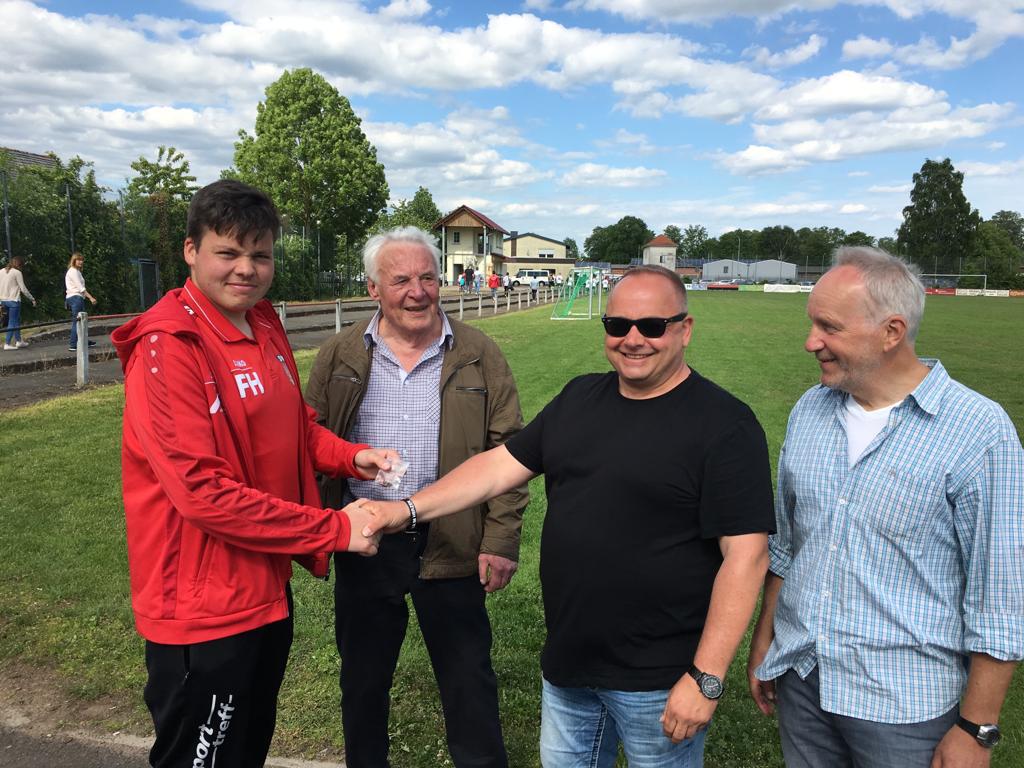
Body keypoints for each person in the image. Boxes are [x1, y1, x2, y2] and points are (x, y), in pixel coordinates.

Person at [360, 264, 774, 767]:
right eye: (618, 325)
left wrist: (705, 678)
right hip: (569, 669)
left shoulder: (725, 425)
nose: (633, 340)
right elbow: (495, 469)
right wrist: (405, 510)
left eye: (651, 326)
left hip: (659, 682)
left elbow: (746, 557)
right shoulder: (580, 397)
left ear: (684, 329)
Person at [111, 180, 395, 768]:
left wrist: (349, 456)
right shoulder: (169, 346)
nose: (246, 269)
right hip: (203, 608)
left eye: (260, 255)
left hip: (263, 587)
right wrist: (334, 530)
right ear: (191, 251)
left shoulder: (261, 321)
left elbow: (291, 426)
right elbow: (203, 494)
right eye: (228, 252)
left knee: (245, 750)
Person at [748, 247, 1024, 768]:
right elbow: (787, 546)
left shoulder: (978, 431)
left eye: (828, 327)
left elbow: (1000, 594)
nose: (810, 342)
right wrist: (765, 640)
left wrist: (976, 728)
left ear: (891, 331)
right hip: (803, 680)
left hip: (904, 705)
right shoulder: (810, 409)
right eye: (812, 323)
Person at [305, 226, 528, 768]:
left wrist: (500, 538)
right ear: (373, 288)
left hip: (451, 539)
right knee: (363, 679)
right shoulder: (339, 353)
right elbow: (308, 439)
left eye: (427, 277)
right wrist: (320, 527)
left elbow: (510, 451)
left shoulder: (478, 353)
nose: (417, 291)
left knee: (468, 679)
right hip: (367, 540)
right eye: (401, 279)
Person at [1, 256, 37, 350]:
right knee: (12, 321)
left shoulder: (1, 271)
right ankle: (7, 343)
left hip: (3, 300)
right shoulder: (17, 273)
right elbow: (23, 288)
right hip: (14, 300)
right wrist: (32, 298)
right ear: (20, 265)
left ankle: (19, 341)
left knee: (16, 320)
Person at [65, 251, 97, 351]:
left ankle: (83, 341)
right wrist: (91, 298)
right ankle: (73, 344)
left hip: (76, 298)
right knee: (78, 321)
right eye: (78, 260)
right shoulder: (73, 271)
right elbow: (81, 288)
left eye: (82, 260)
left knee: (82, 321)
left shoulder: (77, 271)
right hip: (75, 298)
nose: (81, 262)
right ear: (73, 261)